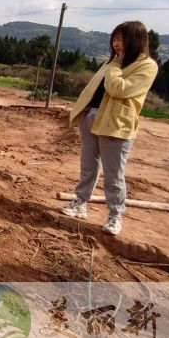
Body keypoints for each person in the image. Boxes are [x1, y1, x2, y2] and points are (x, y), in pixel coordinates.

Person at [60, 21, 159, 235]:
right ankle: (79, 203)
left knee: (114, 174)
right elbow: (92, 88)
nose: (116, 44)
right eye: (114, 39)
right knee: (88, 166)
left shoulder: (146, 66)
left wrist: (114, 67)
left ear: (137, 40)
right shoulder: (113, 61)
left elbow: (118, 89)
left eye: (122, 39)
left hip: (115, 124)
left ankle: (115, 215)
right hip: (92, 117)